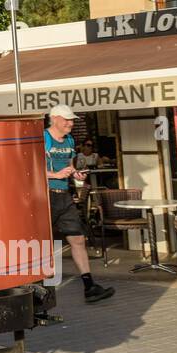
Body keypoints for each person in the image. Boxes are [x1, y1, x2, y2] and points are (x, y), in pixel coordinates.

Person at [45, 105, 114, 304]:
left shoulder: (70, 140)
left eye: (72, 120)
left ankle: (89, 286)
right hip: (46, 195)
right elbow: (29, 168)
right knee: (44, 243)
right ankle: (41, 289)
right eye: (66, 119)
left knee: (78, 240)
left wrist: (75, 173)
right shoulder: (44, 138)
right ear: (55, 118)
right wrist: (54, 175)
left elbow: (70, 165)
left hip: (65, 195)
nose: (70, 123)